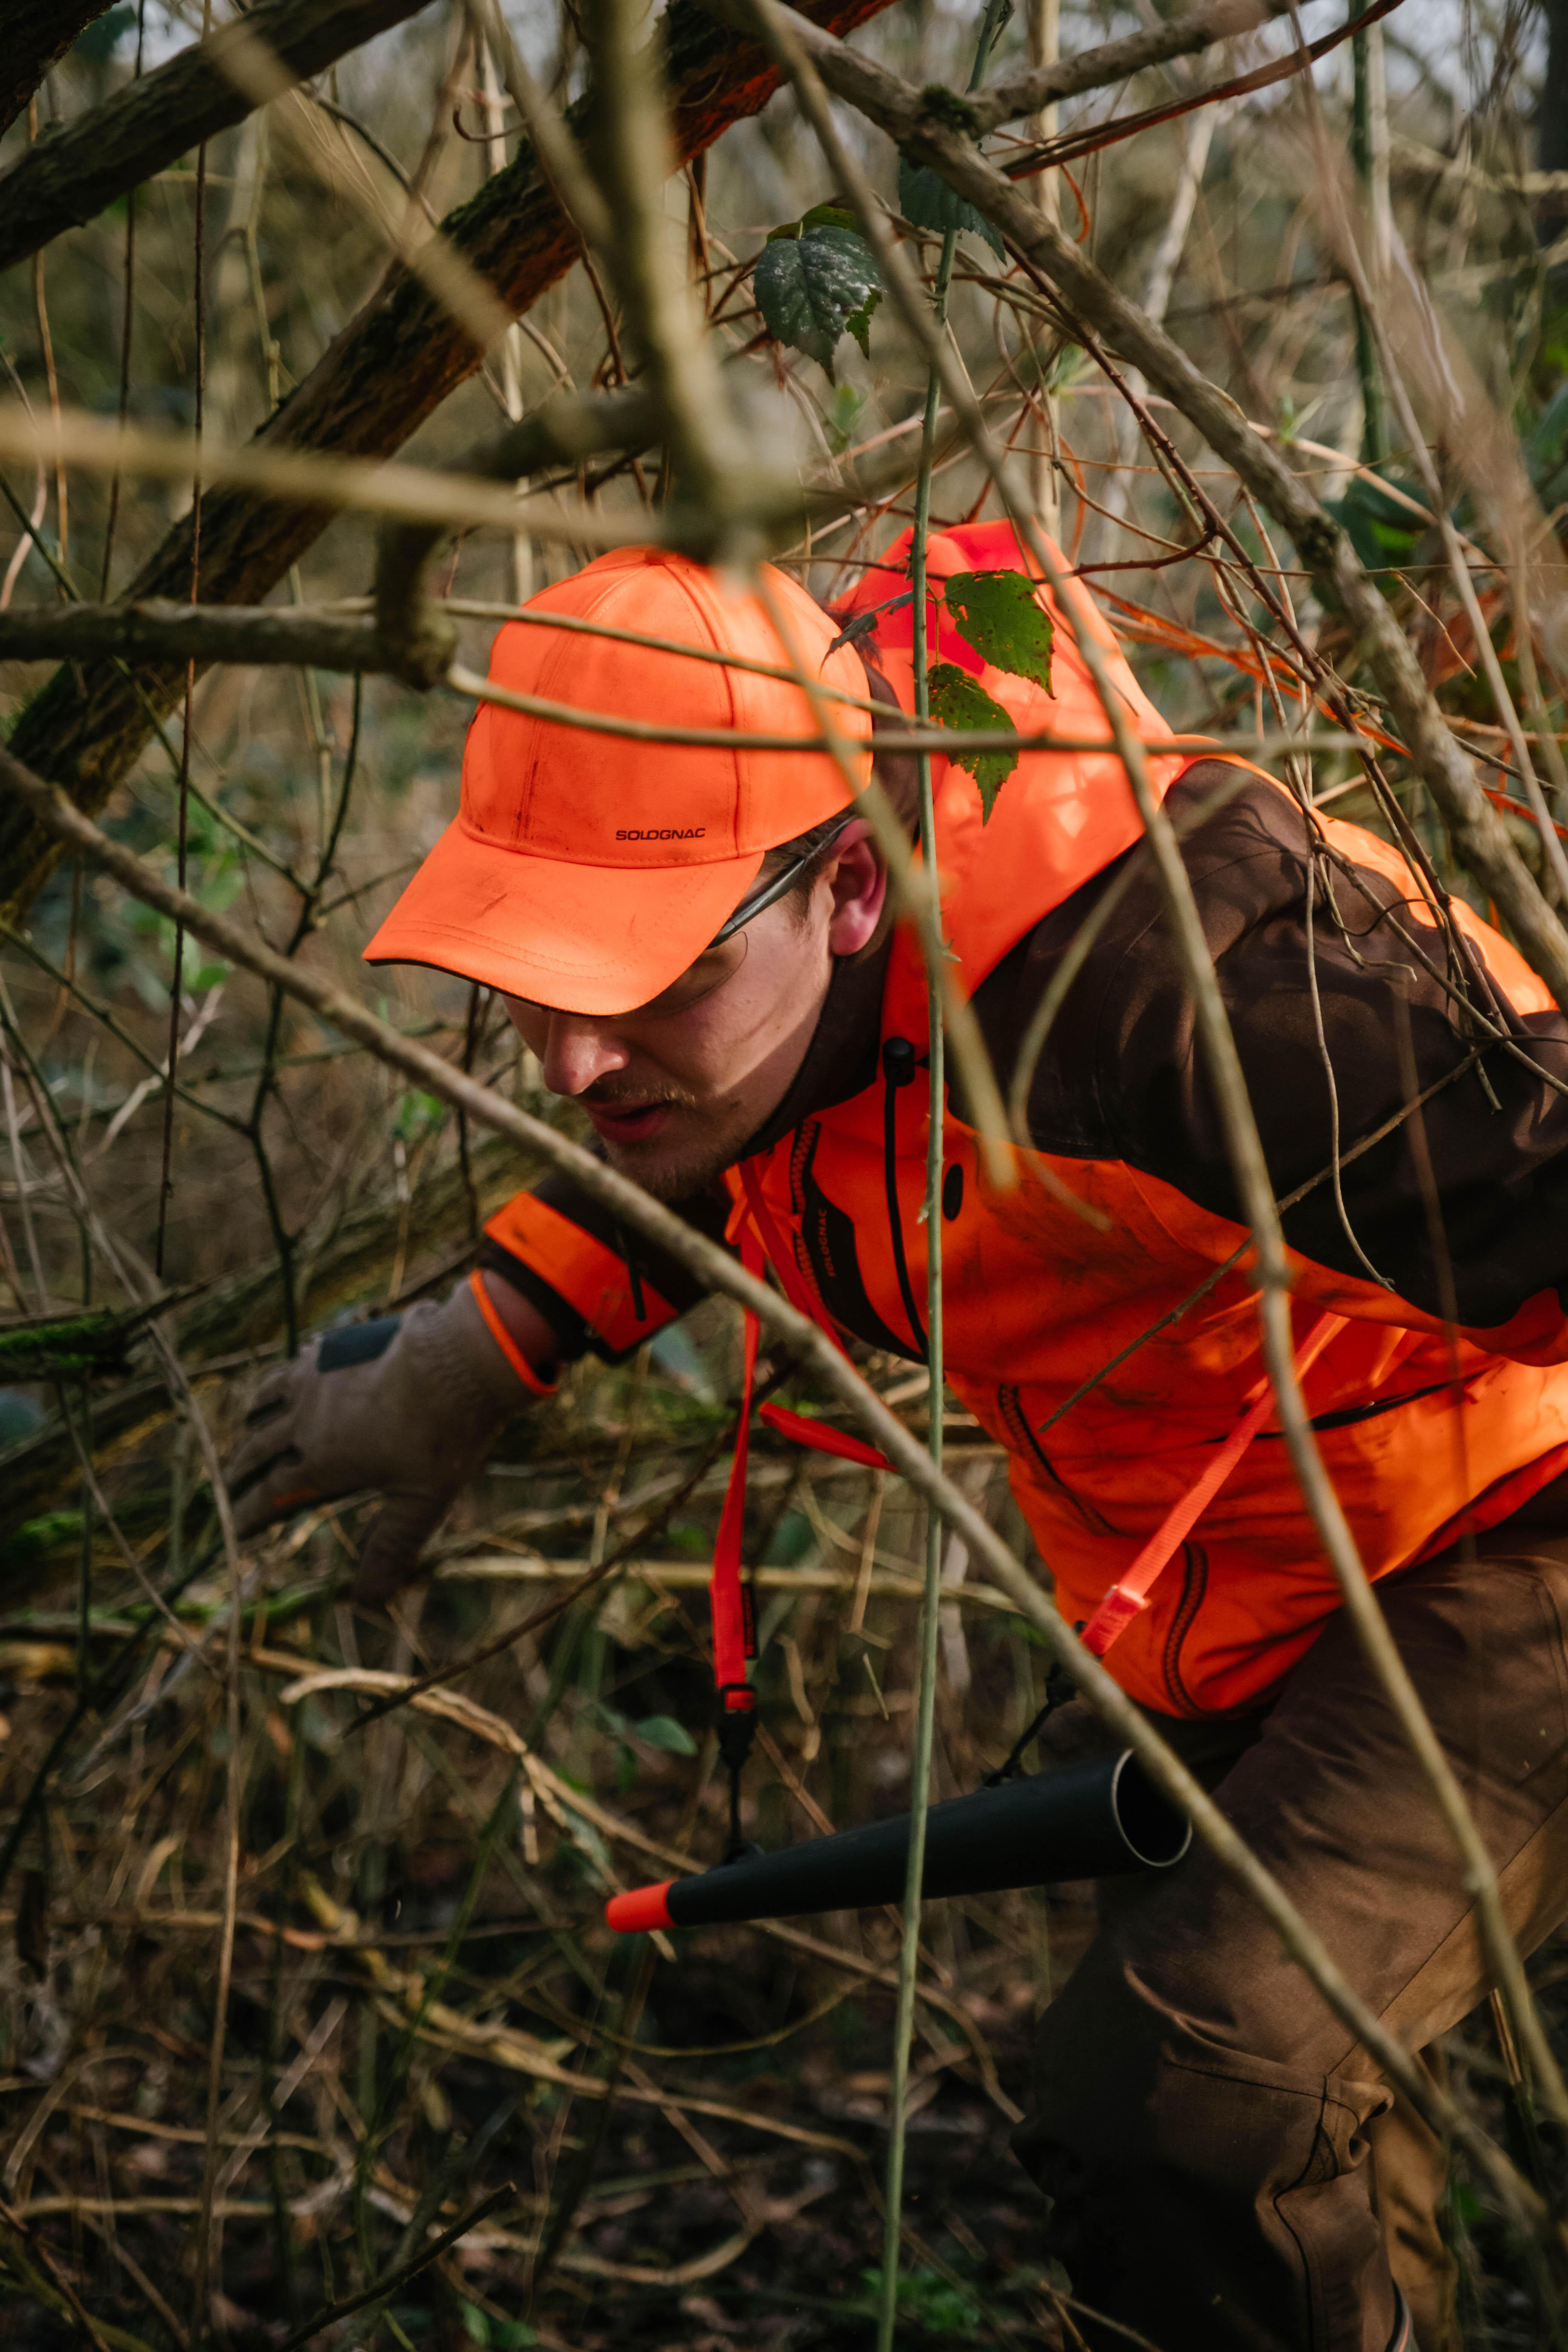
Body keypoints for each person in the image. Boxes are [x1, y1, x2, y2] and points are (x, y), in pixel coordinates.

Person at [227, 528, 1568, 2352]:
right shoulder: (748, 978)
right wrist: (477, 1350)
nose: (563, 1060)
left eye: (636, 981)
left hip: (1496, 1516)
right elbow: (727, 1144)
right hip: (1210, 1571)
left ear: (849, 890)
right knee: (1266, 2165)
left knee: (1187, 2083)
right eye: (532, 975)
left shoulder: (1179, 1000)